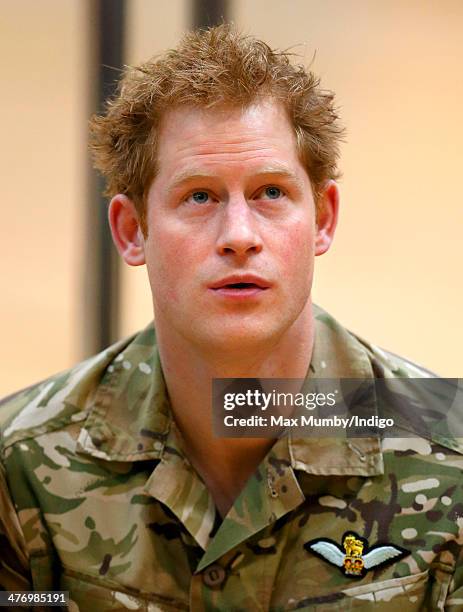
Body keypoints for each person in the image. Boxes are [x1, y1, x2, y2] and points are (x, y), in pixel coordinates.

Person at [1, 24, 462, 611]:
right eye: (199, 196)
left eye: (271, 192)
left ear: (322, 218)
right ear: (131, 230)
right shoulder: (23, 465)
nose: (239, 237)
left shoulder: (448, 455)